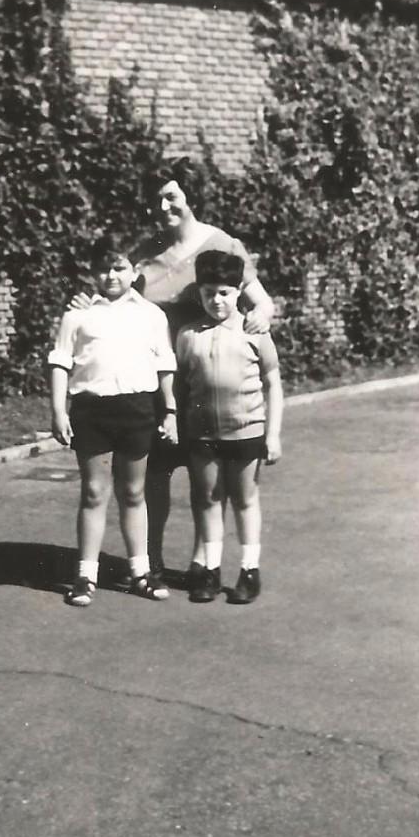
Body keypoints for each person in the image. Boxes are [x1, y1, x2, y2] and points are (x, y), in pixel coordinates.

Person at [70, 158, 275, 576]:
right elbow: (115, 296)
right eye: (155, 200)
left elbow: (261, 300)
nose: (162, 207)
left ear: (188, 196)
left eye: (170, 197)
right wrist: (86, 304)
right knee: (155, 474)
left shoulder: (222, 244)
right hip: (157, 382)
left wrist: (262, 316)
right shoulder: (143, 255)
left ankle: (203, 561)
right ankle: (151, 560)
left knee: (208, 479)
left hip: (208, 383)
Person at [49, 232, 179, 607]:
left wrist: (170, 410)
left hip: (137, 409)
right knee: (94, 492)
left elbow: (165, 364)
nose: (111, 276)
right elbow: (60, 363)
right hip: (92, 411)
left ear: (134, 271)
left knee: (134, 492)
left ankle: (140, 572)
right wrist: (58, 410)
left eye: (119, 268)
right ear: (93, 272)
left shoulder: (151, 315)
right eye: (104, 269)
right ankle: (85, 576)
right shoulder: (77, 315)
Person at [176, 250, 283, 603]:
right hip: (202, 434)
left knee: (244, 499)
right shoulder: (188, 335)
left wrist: (273, 434)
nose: (217, 300)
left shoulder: (254, 332)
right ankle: (210, 570)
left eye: (224, 292)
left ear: (238, 292)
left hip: (246, 430)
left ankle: (249, 570)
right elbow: (180, 385)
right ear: (199, 294)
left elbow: (273, 383)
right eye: (209, 293)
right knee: (208, 498)